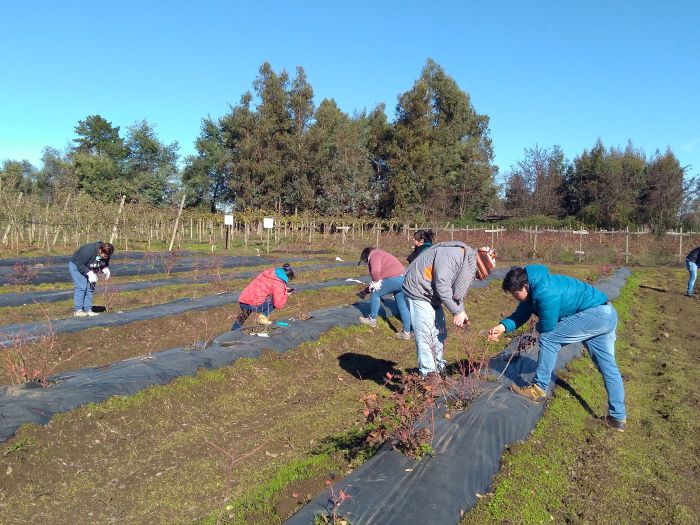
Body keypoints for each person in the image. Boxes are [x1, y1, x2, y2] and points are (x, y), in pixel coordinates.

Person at [487, 265, 627, 432]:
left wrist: (538, 329)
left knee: (548, 338)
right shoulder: (534, 287)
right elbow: (522, 314)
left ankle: (538, 389)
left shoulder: (545, 291)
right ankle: (618, 417)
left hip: (595, 315)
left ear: (525, 286)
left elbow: (548, 325)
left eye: (516, 294)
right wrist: (502, 327)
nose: (515, 298)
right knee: (608, 367)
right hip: (606, 314)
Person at [402, 242, 496, 379]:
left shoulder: (466, 260)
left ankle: (439, 367)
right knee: (426, 334)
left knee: (440, 332)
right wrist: (457, 312)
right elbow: (442, 285)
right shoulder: (453, 255)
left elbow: (457, 290)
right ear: (477, 264)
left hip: (431, 295)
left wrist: (461, 310)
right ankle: (429, 375)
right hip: (418, 291)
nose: (473, 277)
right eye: (475, 274)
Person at [357, 247, 412, 340]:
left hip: (394, 278)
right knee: (402, 305)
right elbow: (379, 279)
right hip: (403, 278)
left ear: (366, 255)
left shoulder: (374, 254)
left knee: (376, 293)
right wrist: (367, 290)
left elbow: (375, 272)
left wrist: (375, 283)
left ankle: (372, 320)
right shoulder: (382, 254)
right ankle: (406, 332)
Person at [231, 263, 294, 330]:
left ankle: (235, 328)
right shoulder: (279, 283)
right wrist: (285, 294)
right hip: (254, 304)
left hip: (243, 299)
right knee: (275, 299)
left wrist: (282, 290)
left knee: (247, 310)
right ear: (287, 277)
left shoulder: (268, 274)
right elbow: (278, 305)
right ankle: (262, 317)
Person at [69, 241, 114, 317]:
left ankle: (88, 309)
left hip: (91, 267)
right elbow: (80, 264)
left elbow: (104, 262)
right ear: (100, 250)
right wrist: (89, 273)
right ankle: (78, 310)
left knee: (90, 288)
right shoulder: (88, 250)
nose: (106, 258)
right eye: (105, 256)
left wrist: (105, 267)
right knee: (81, 286)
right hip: (77, 265)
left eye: (108, 256)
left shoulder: (106, 252)